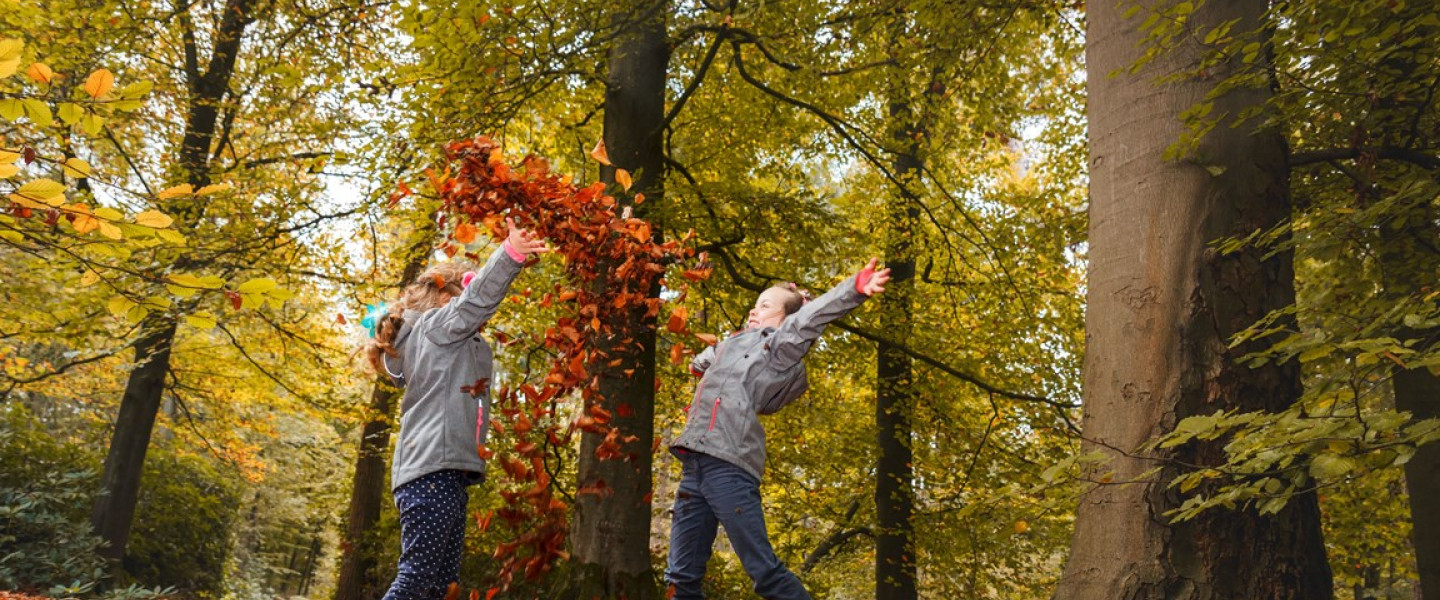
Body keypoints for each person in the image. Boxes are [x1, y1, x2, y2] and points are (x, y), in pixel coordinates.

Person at [665, 258, 892, 600]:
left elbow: (809, 318)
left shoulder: (778, 348)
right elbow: (706, 359)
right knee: (680, 576)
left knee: (764, 573)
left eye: (765, 305)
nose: (754, 310)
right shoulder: (731, 346)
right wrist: (702, 361)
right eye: (755, 304)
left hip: (728, 465)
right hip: (694, 463)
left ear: (784, 320)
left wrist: (855, 288)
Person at [364, 218, 549, 600]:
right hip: (434, 471)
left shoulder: (434, 341)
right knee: (416, 581)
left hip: (439, 473)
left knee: (440, 588)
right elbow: (477, 301)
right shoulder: (435, 328)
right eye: (462, 289)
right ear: (444, 297)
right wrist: (510, 255)